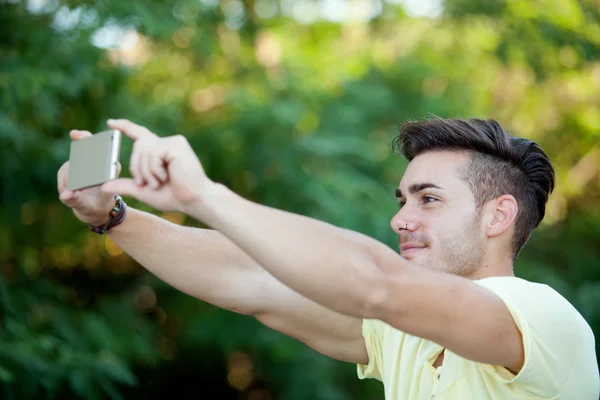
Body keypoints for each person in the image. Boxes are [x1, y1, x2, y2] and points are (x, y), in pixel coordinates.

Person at [57, 117, 599, 400]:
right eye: (403, 199)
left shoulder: (541, 318)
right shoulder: (403, 337)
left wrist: (204, 195)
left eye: (429, 199)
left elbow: (375, 283)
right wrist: (111, 218)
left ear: (498, 215)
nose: (401, 220)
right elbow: (252, 280)